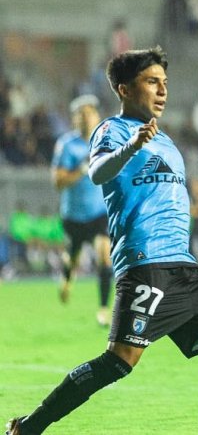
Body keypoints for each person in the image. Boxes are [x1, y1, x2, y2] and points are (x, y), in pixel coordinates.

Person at [6, 47, 198, 435]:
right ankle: (30, 427)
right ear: (125, 89)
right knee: (119, 361)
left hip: (185, 267)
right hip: (146, 263)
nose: (162, 91)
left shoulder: (166, 142)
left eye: (165, 83)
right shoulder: (111, 131)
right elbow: (97, 173)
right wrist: (132, 147)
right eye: (152, 82)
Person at [51, 94, 114, 325]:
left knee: (103, 255)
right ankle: (67, 277)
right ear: (74, 119)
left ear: (97, 116)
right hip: (74, 215)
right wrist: (81, 169)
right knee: (73, 258)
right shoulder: (66, 145)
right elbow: (57, 181)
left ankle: (103, 309)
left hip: (100, 213)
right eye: (81, 114)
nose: (85, 118)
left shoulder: (106, 142)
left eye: (89, 113)